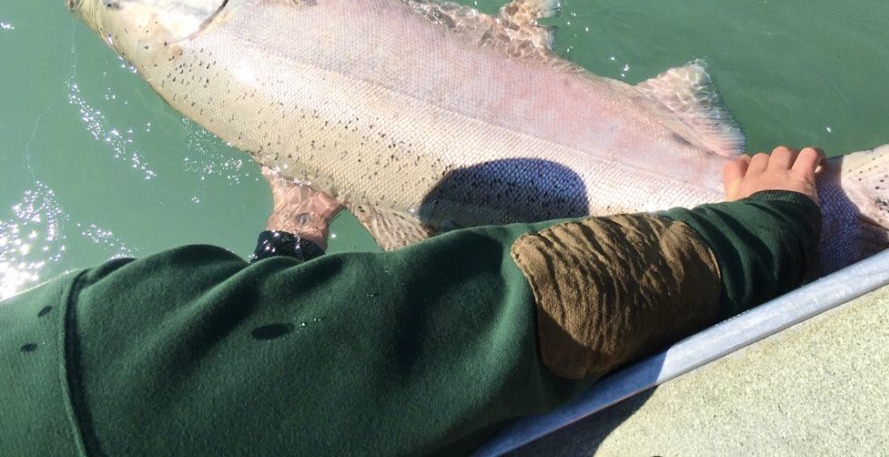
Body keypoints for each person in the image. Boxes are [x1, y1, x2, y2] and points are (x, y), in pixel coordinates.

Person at [0, 146, 823, 456]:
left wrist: (293, 232)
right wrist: (767, 223)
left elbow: (249, 390)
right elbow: (540, 307)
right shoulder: (92, 377)